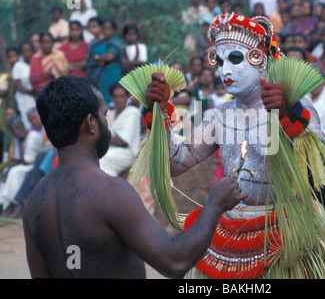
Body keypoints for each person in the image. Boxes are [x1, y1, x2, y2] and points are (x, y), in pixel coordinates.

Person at [145, 13, 325, 279]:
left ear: (261, 61)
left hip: (285, 234)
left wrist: (287, 113)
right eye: (219, 61)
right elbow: (176, 163)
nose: (225, 70)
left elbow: (318, 166)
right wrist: (161, 112)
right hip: (227, 232)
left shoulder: (295, 105)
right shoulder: (219, 114)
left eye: (235, 58)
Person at [21, 75, 245, 278]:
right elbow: (175, 261)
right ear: (91, 124)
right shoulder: (109, 192)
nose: (106, 124)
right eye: (104, 115)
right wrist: (215, 204)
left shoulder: (34, 202)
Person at [0, 117, 51, 217]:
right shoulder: (19, 138)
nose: (16, 131)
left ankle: (14, 204)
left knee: (16, 171)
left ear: (23, 126)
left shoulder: (32, 136)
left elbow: (28, 159)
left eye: (18, 128)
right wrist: (18, 140)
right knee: (7, 170)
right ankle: (7, 205)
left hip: (37, 165)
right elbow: (17, 158)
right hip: (29, 165)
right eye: (13, 130)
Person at [99, 82, 141, 177]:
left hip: (126, 152)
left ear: (127, 97)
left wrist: (100, 139)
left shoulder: (132, 112)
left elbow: (123, 140)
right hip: (109, 148)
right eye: (116, 96)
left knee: (102, 159)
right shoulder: (110, 113)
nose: (119, 100)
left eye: (122, 96)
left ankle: (111, 186)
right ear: (112, 97)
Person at [85, 19, 123, 104]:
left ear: (114, 30)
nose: (107, 31)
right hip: (98, 77)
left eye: (109, 29)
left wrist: (97, 57)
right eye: (105, 29)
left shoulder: (115, 42)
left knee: (113, 100)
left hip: (111, 75)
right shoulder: (96, 43)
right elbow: (89, 58)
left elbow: (109, 57)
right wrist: (100, 59)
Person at [11, 42, 36, 130]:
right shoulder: (18, 66)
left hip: (36, 96)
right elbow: (17, 84)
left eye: (28, 51)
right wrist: (30, 92)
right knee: (27, 121)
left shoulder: (36, 64)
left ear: (33, 51)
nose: (26, 53)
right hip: (24, 97)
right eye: (23, 51)